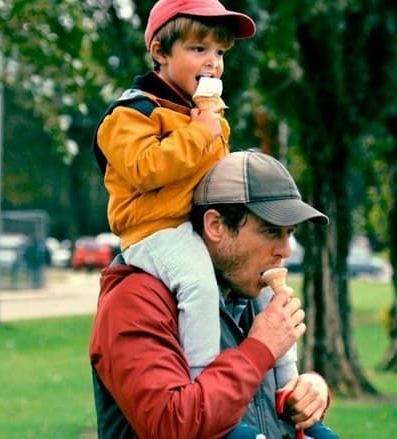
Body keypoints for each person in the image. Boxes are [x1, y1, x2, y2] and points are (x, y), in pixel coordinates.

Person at [89, 151, 340, 438]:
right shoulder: (135, 302)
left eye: (289, 233)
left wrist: (310, 392)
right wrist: (260, 349)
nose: (285, 250)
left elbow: (253, 407)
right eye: (271, 231)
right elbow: (173, 425)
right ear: (215, 226)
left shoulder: (246, 291)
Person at [93, 0, 269, 382]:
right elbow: (145, 169)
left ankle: (287, 384)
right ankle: (203, 381)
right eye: (198, 48)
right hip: (154, 231)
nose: (213, 63)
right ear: (160, 53)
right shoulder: (131, 113)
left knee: (264, 279)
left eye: (219, 52)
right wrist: (200, 132)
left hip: (199, 229)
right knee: (199, 286)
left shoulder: (203, 115)